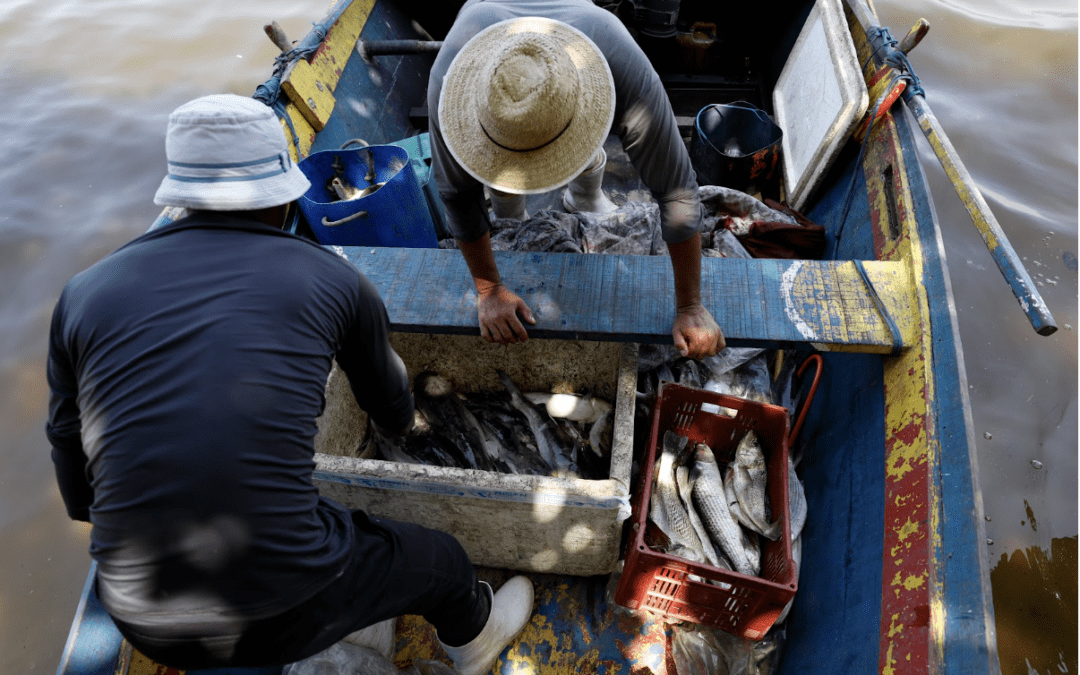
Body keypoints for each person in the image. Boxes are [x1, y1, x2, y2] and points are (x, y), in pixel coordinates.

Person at [45, 94, 533, 674]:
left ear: (176, 195)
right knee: (445, 562)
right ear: (283, 197)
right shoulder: (334, 278)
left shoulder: (82, 293)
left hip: (137, 613)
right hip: (281, 603)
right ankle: (475, 644)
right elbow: (396, 415)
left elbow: (80, 498)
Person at [428, 0, 726, 359]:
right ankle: (508, 205)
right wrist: (489, 289)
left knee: (566, 136)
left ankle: (583, 194)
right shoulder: (449, 86)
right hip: (484, 20)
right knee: (504, 170)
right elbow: (458, 197)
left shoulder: (622, 66)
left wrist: (690, 306)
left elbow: (677, 193)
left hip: (582, 39)